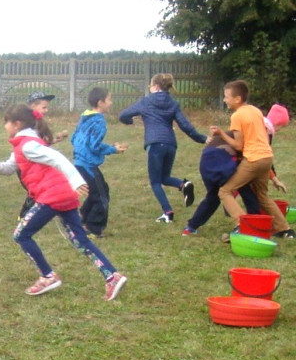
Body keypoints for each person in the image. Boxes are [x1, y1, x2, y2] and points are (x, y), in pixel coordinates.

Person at [0, 104, 127, 301]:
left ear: (16, 124)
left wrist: (76, 180)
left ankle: (47, 276)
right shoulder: (25, 143)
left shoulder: (28, 145)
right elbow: (9, 168)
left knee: (21, 235)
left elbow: (58, 158)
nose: (4, 126)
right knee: (79, 239)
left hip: (53, 196)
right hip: (63, 195)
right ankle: (112, 276)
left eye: (6, 122)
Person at [209, 81, 294, 241]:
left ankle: (243, 225)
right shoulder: (255, 111)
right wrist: (273, 177)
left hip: (253, 160)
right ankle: (285, 230)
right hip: (267, 158)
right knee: (262, 195)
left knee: (225, 191)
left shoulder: (237, 116)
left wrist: (221, 133)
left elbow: (238, 145)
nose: (224, 100)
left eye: (227, 97)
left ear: (238, 98)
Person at [118, 73, 204, 223]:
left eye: (150, 86)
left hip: (155, 144)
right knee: (164, 177)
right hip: (170, 144)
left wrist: (129, 121)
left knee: (155, 182)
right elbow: (185, 125)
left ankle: (168, 213)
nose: (149, 88)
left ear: (156, 86)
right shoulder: (173, 103)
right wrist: (202, 138)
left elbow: (123, 115)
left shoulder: (146, 102)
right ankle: (183, 185)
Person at [0, 90, 65, 218]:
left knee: (41, 195)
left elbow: (43, 149)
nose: (46, 110)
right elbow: (11, 166)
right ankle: (26, 217)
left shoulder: (32, 134)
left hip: (39, 175)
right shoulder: (25, 143)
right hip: (30, 172)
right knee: (37, 194)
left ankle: (29, 217)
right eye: (44, 107)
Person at [71, 87, 127, 238]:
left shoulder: (85, 116)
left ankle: (82, 219)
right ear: (100, 102)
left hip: (78, 162)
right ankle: (92, 228)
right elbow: (94, 146)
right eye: (109, 99)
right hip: (88, 165)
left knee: (96, 192)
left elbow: (74, 138)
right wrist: (113, 149)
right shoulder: (99, 121)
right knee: (102, 196)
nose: (111, 103)